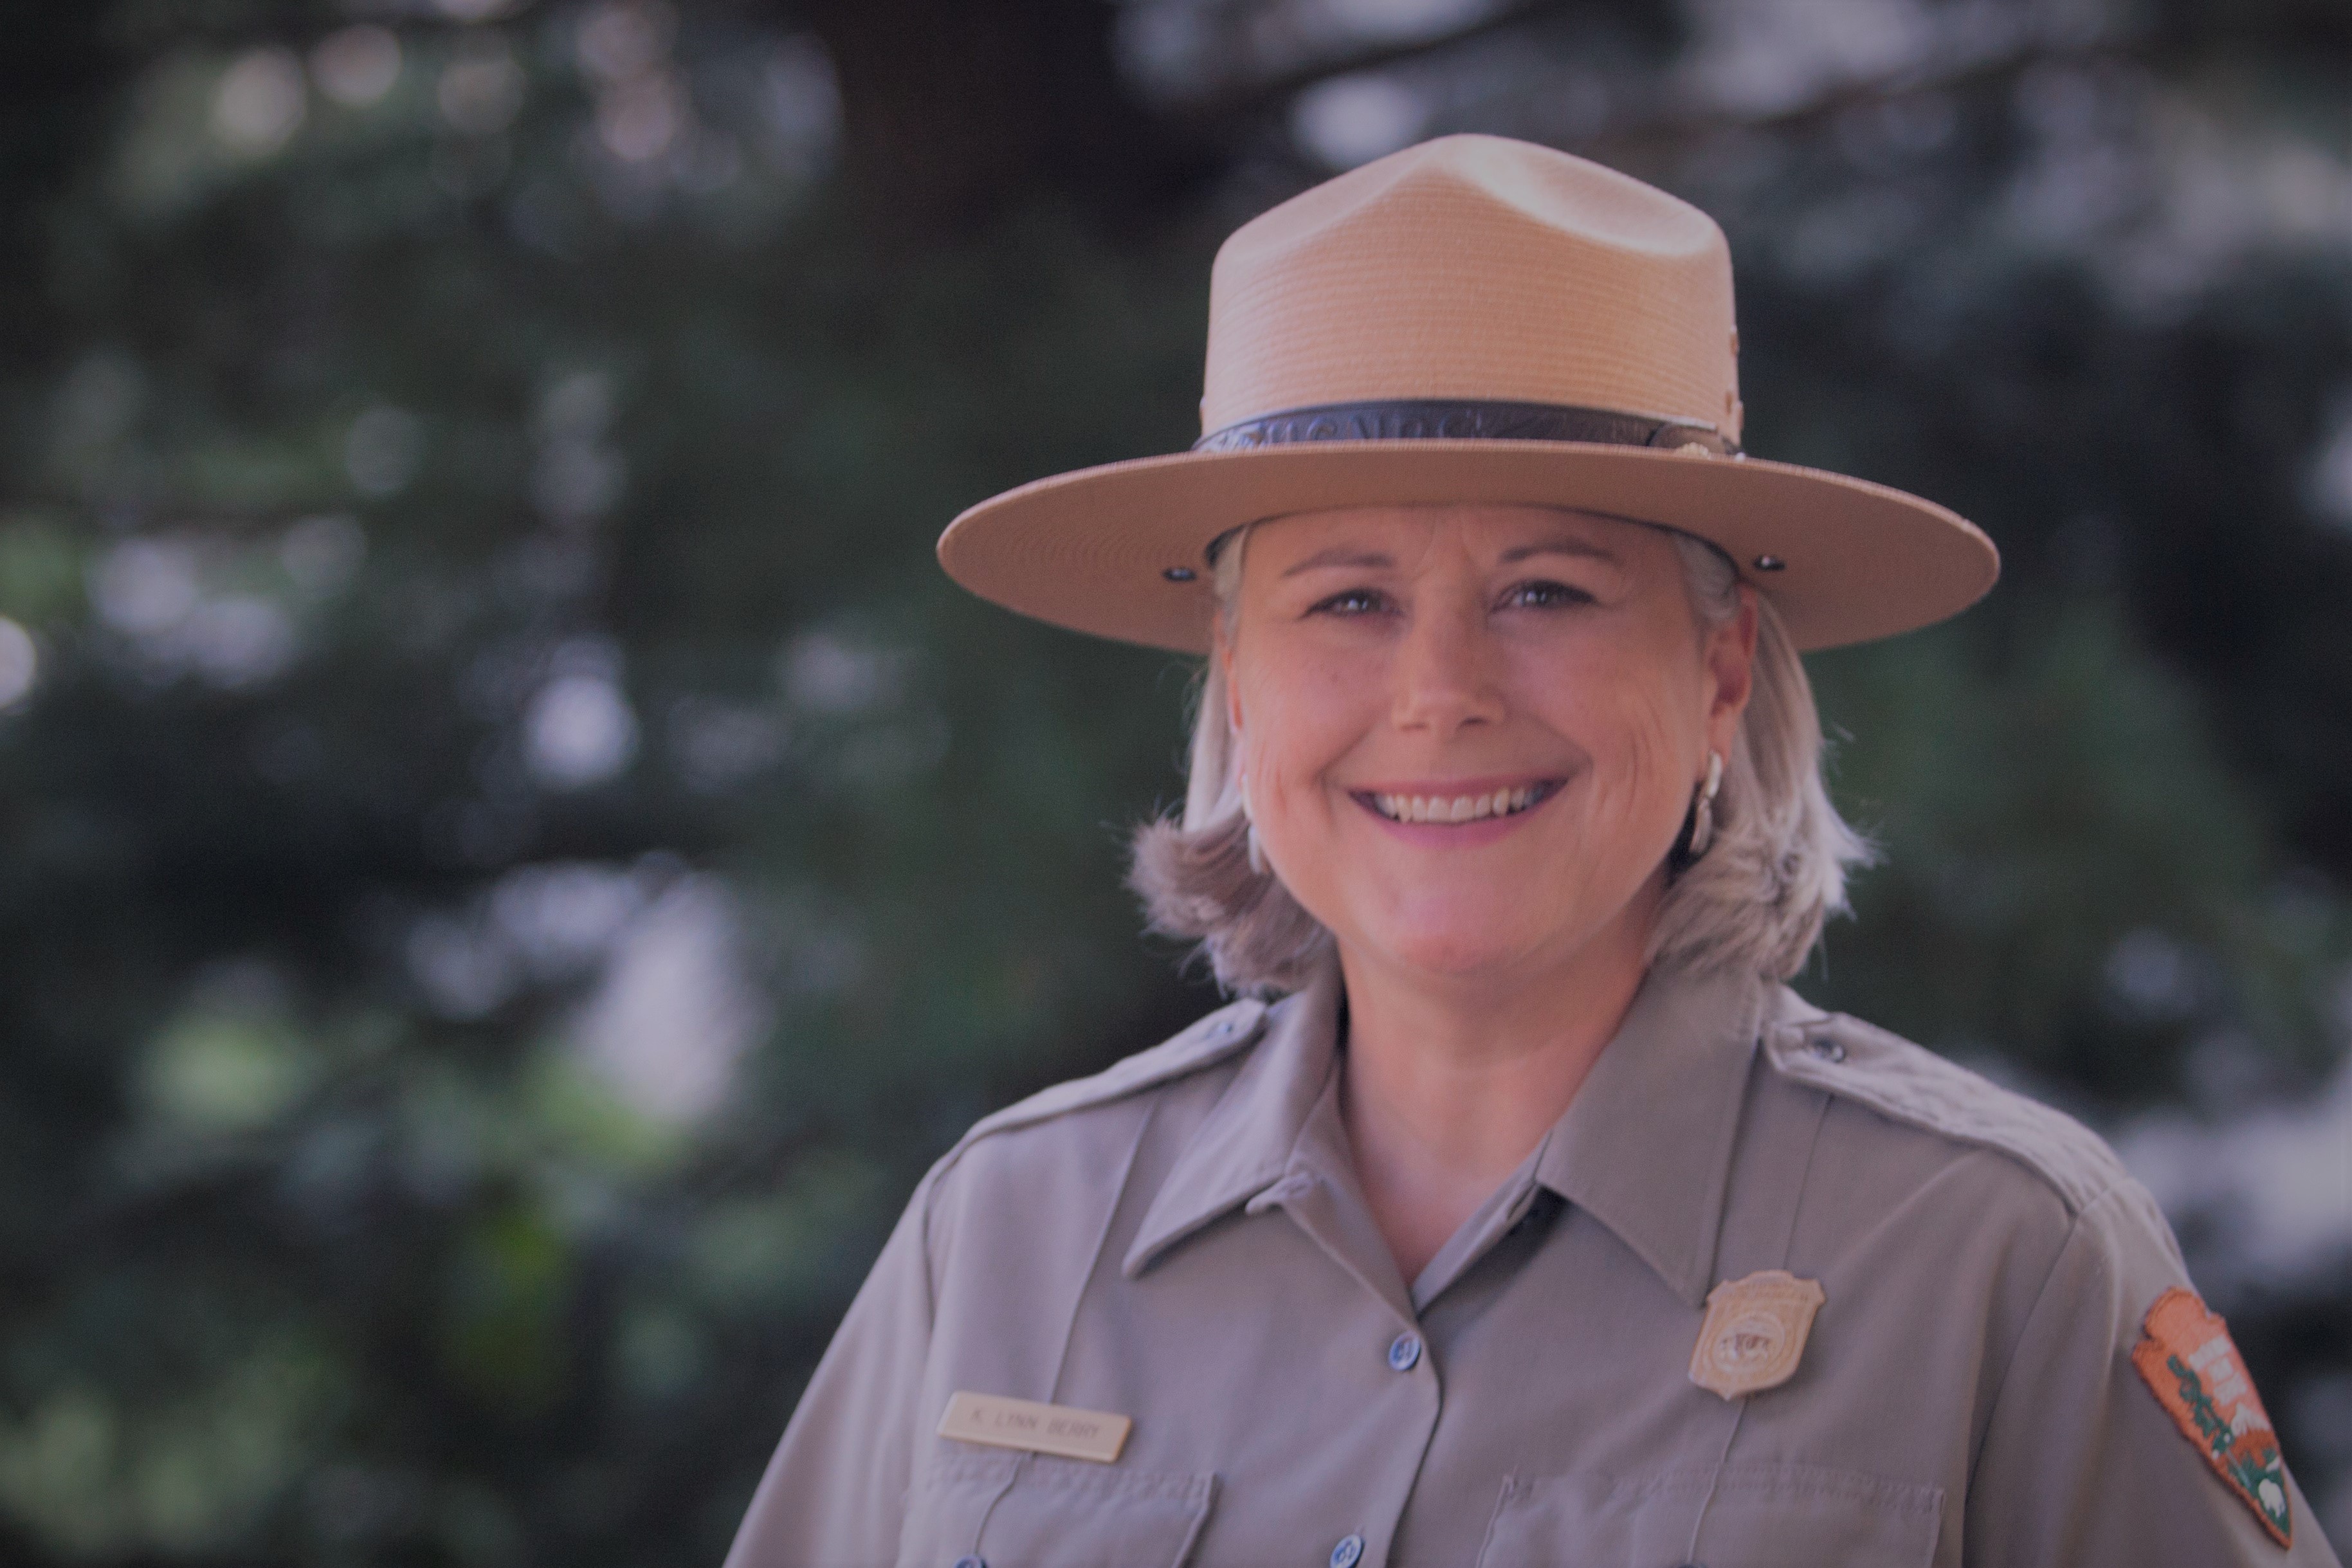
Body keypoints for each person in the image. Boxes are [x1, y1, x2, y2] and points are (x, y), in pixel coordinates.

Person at [723, 136, 2339, 1567]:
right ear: (1236, 681)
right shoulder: (1007, 1230)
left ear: (1716, 670)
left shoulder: (1993, 1255)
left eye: (1546, 592)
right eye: (1344, 601)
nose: (1440, 696)